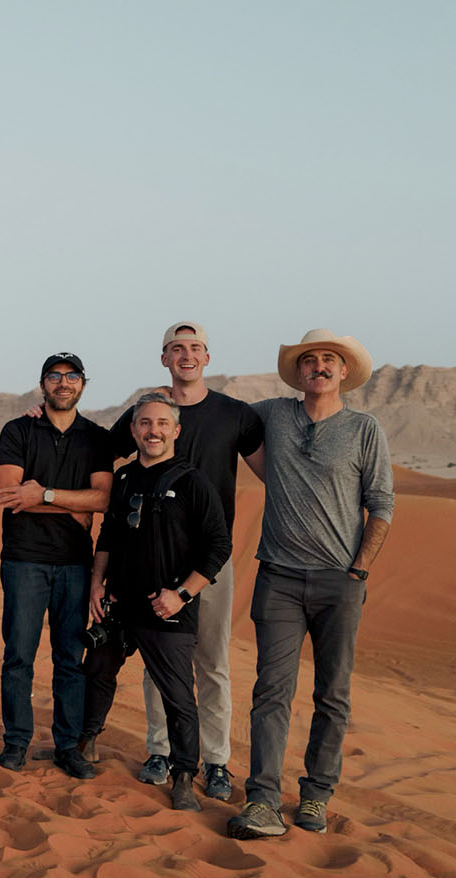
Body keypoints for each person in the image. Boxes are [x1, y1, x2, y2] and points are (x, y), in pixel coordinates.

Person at [227, 329, 394, 839]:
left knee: (332, 695)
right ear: (298, 372)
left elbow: (382, 504)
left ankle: (317, 797)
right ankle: (262, 801)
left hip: (338, 584)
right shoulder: (272, 415)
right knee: (271, 692)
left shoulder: (365, 429)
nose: (319, 366)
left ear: (344, 372)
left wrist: (359, 570)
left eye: (329, 360)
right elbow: (213, 417)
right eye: (310, 360)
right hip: (277, 578)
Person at [90, 322, 265, 801]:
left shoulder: (235, 414)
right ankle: (160, 750)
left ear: (207, 357)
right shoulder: (146, 412)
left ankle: (216, 761)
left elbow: (274, 471)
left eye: (194, 348)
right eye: (176, 349)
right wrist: (44, 419)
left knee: (212, 661)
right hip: (150, 563)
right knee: (157, 662)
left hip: (209, 562)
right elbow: (99, 452)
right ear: (163, 358)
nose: (186, 356)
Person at [89, 393, 231, 811]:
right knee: (96, 670)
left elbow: (218, 545)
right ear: (133, 430)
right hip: (121, 604)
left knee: (177, 696)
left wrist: (182, 594)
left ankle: (184, 774)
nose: (153, 431)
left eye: (161, 424)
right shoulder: (126, 478)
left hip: (165, 609)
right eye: (145, 424)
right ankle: (84, 745)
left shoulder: (192, 481)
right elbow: (109, 535)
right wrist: (97, 583)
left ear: (176, 431)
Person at [0, 353, 113, 780]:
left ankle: (67, 746)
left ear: (83, 383)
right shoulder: (18, 429)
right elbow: (9, 495)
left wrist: (42, 496)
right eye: (55, 376)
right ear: (42, 383)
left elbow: (102, 500)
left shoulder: (96, 437)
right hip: (24, 561)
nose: (63, 383)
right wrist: (70, 505)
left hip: (75, 565)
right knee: (18, 657)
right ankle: (16, 742)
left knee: (69, 658)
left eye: (72, 376)